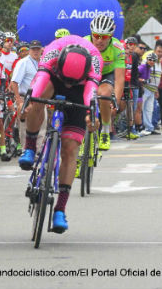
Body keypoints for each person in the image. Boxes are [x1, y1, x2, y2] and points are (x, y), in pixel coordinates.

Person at [19, 35, 103, 233]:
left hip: (81, 90)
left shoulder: (95, 61)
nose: (68, 84)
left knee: (70, 147)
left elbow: (91, 94)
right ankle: (30, 147)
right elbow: (39, 81)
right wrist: (30, 103)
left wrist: (92, 115)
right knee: (38, 98)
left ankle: (60, 209)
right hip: (53, 78)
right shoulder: (53, 51)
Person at [84, 15, 125, 150]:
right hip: (87, 74)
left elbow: (119, 79)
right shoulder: (84, 44)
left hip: (106, 74)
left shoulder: (117, 48)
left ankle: (106, 131)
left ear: (111, 36)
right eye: (96, 35)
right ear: (91, 33)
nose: (100, 40)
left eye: (105, 37)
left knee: (105, 93)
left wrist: (116, 103)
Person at [10, 40, 43, 151]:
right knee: (25, 125)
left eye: (38, 49)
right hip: (25, 97)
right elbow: (14, 82)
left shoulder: (43, 62)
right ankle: (25, 149)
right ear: (29, 50)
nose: (36, 52)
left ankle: (38, 151)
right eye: (33, 49)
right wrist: (18, 100)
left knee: (41, 124)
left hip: (40, 99)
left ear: (41, 50)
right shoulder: (23, 62)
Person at [138, 52, 160, 135]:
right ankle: (139, 128)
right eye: (150, 59)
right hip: (143, 90)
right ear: (147, 59)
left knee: (149, 110)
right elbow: (135, 76)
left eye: (154, 60)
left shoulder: (150, 69)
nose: (152, 61)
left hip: (150, 91)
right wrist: (143, 81)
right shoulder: (142, 67)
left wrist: (155, 90)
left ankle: (149, 128)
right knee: (140, 109)